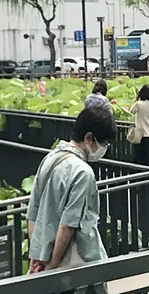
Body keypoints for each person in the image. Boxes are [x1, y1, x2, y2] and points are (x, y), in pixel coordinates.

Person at [27, 102, 115, 272]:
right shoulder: (83, 172)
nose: (104, 149)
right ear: (89, 138)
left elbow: (33, 211)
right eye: (104, 143)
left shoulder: (50, 158)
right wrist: (55, 262)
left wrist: (37, 256)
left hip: (43, 254)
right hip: (78, 259)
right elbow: (68, 224)